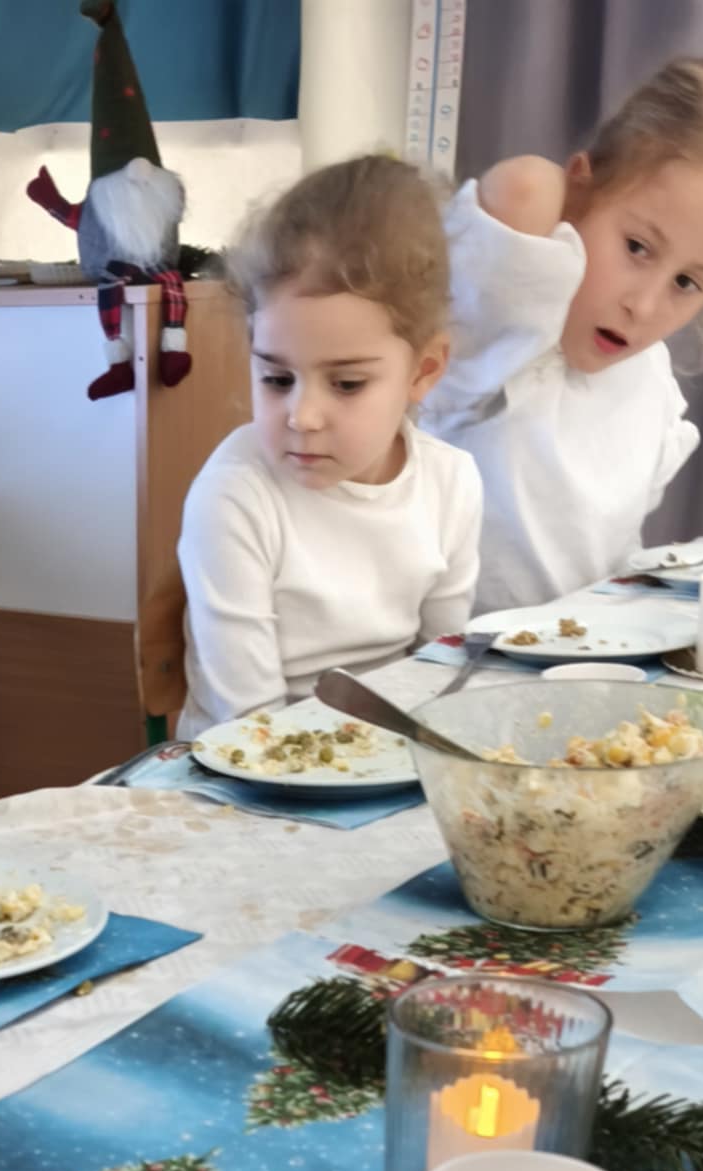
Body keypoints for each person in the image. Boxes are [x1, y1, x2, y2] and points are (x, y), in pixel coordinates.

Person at [422, 58, 703, 612]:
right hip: (444, 654)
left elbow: (611, 566)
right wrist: (570, 206)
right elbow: (524, 187)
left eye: (687, 282)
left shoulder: (650, 387)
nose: (643, 306)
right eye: (637, 248)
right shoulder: (498, 321)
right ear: (579, 188)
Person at [174, 156, 481, 741]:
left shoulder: (452, 482)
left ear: (424, 370)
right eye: (277, 378)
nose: (303, 416)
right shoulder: (235, 494)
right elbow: (251, 723)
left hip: (388, 749)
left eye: (346, 384)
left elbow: (440, 670)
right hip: (247, 766)